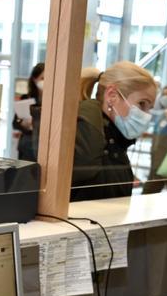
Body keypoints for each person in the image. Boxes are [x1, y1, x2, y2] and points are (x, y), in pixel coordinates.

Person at [66, 62, 157, 202]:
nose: (146, 115)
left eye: (149, 108)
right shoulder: (88, 137)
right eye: (142, 104)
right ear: (112, 96)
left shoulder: (115, 140)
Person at [13, 62, 43, 162]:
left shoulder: (52, 101)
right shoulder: (26, 98)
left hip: (42, 145)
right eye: (42, 78)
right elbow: (15, 123)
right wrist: (23, 123)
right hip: (27, 145)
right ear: (35, 79)